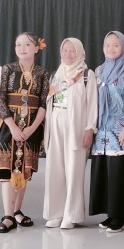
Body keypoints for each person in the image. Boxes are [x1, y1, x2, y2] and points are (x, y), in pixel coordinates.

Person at [0, 32, 50, 233]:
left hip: (32, 125)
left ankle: (17, 210)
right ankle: (8, 215)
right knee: (7, 169)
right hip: (9, 125)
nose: (22, 48)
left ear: (36, 48)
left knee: (24, 168)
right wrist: (13, 126)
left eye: (27, 44)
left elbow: (44, 103)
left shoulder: (42, 73)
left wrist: (32, 128)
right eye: (18, 44)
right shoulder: (8, 69)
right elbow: (0, 98)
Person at [88, 31, 124, 233]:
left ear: (123, 47)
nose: (111, 49)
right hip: (102, 132)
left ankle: (120, 217)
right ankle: (110, 214)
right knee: (105, 173)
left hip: (120, 130)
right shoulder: (99, 71)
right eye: (107, 45)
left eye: (116, 45)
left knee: (119, 173)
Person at [43, 38, 98, 229]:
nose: (68, 54)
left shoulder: (87, 75)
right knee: (55, 169)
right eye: (64, 50)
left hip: (76, 126)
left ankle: (71, 214)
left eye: (72, 50)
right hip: (56, 124)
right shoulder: (56, 75)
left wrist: (90, 128)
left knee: (74, 170)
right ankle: (55, 213)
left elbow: (92, 103)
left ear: (81, 52)